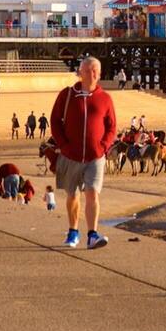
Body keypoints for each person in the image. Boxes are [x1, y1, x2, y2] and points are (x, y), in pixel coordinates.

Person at [50, 56, 118, 249]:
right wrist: (63, 145)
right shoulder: (67, 94)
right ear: (80, 72)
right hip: (70, 155)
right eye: (87, 70)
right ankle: (73, 231)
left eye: (95, 70)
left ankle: (92, 235)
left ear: (100, 73)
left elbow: (112, 127)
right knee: (72, 195)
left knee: (92, 193)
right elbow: (55, 121)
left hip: (95, 156)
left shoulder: (105, 98)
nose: (91, 74)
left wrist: (103, 146)